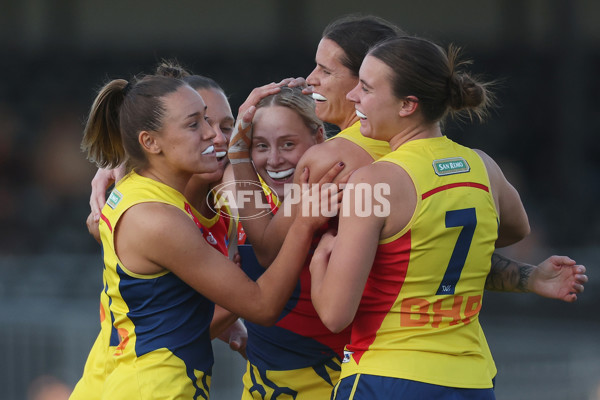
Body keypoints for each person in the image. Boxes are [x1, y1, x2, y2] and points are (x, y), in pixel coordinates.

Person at [228, 14, 587, 399]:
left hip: (354, 370)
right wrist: (526, 276)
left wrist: (239, 154)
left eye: (328, 71)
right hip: (472, 375)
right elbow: (485, 240)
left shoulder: (337, 162)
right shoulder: (480, 164)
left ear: (403, 100)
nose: (311, 79)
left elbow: (272, 253)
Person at [70, 73, 342, 400]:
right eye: (195, 124)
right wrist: (304, 222)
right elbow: (263, 305)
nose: (216, 136)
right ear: (150, 142)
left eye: (226, 126)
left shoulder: (141, 189)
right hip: (152, 388)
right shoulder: (159, 217)